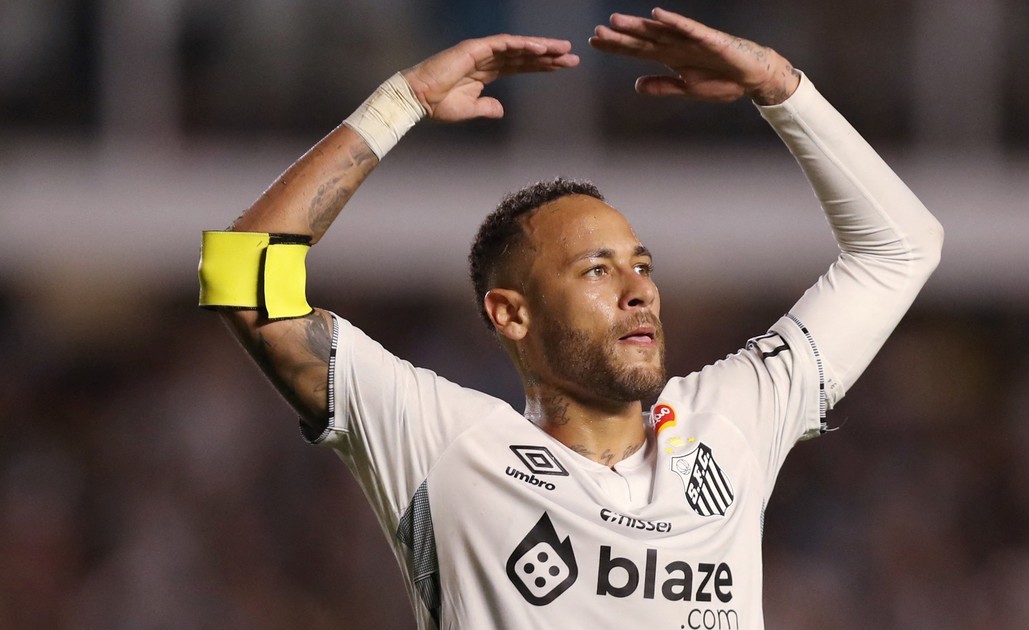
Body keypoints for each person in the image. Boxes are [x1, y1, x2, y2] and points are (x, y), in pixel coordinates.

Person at [201, 8, 942, 629]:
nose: (639, 290)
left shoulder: (729, 423)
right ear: (510, 315)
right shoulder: (446, 447)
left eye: (642, 265)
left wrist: (779, 87)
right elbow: (242, 273)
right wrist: (404, 101)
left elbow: (903, 248)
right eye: (596, 270)